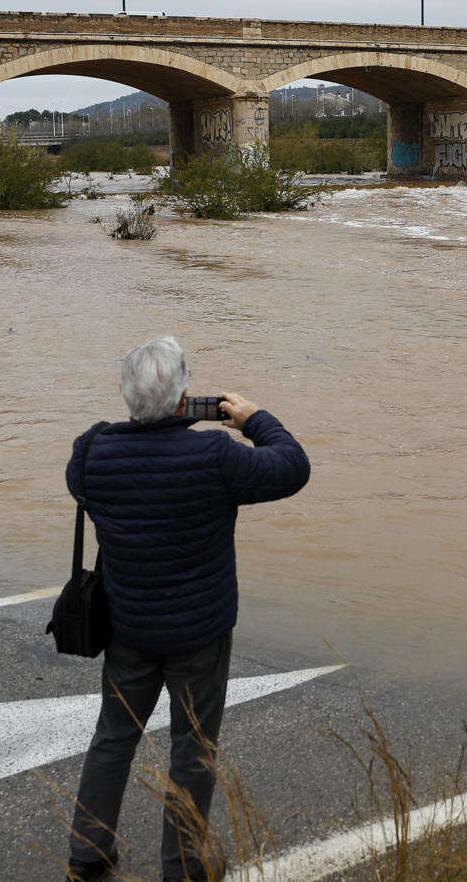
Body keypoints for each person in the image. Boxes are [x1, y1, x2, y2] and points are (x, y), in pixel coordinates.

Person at [64, 336, 310, 882]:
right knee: (193, 747)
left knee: (113, 738)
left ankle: (88, 854)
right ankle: (182, 867)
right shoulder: (214, 456)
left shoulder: (91, 452)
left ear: (127, 397)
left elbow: (83, 481)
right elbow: (293, 467)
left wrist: (136, 428)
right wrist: (254, 418)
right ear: (184, 399)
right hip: (200, 634)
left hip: (128, 628)